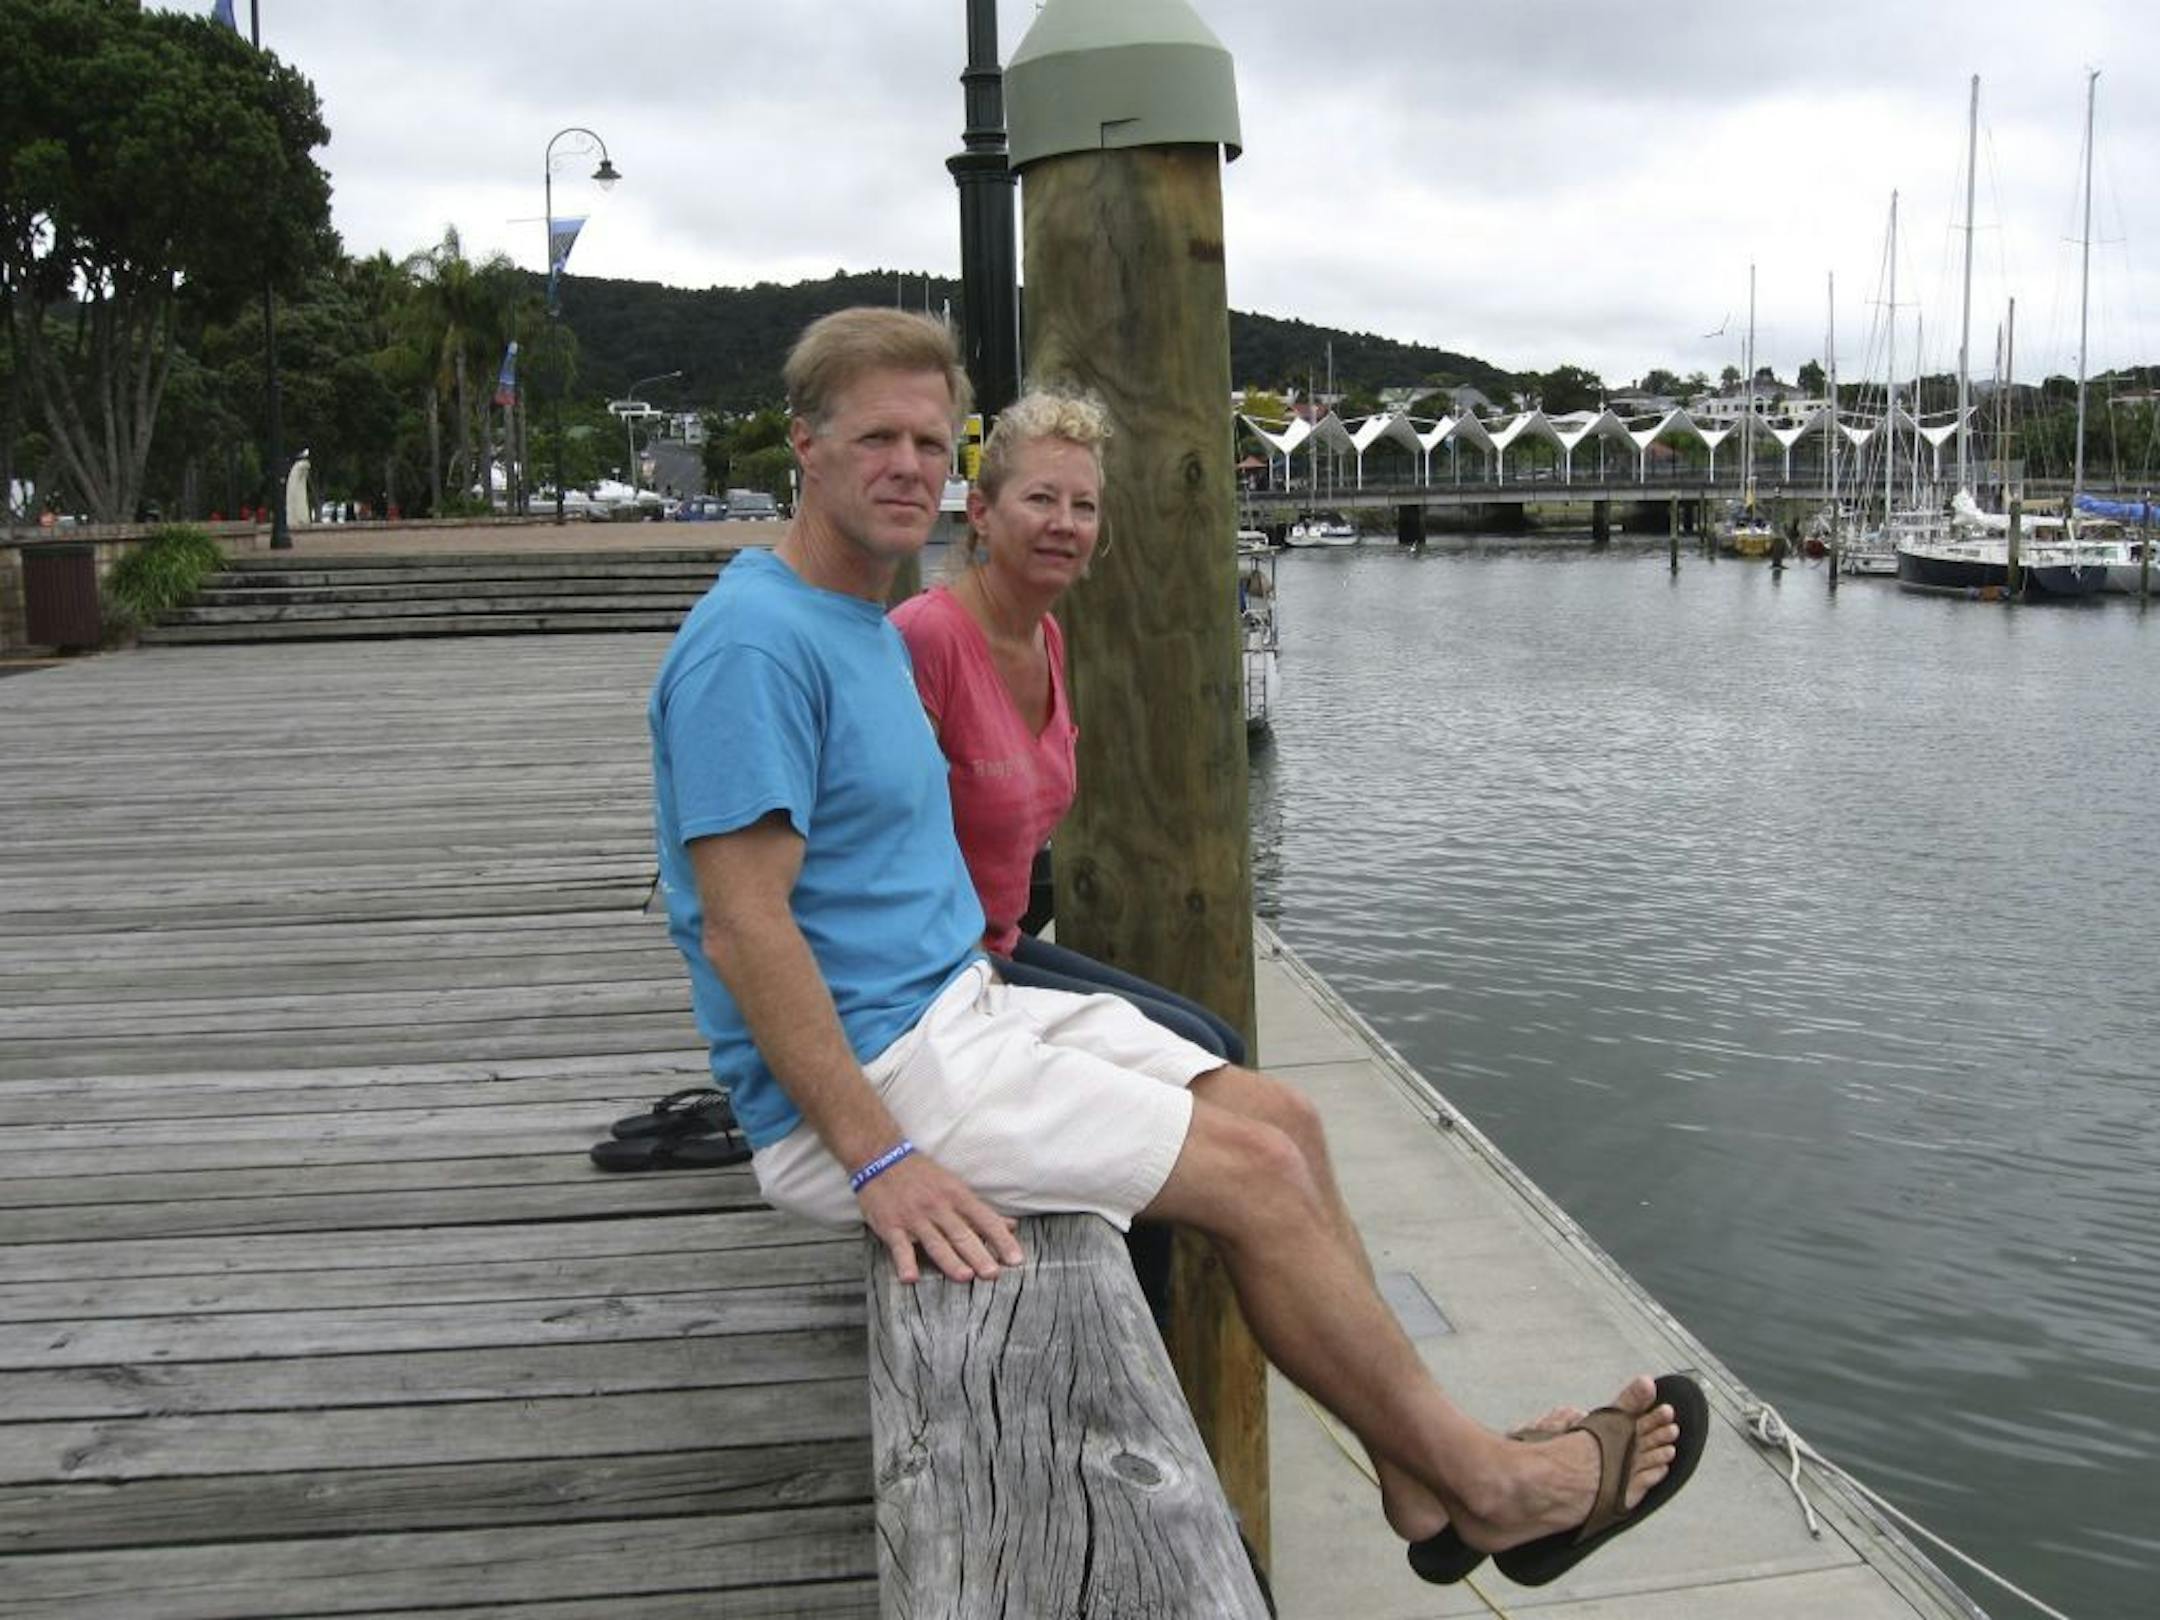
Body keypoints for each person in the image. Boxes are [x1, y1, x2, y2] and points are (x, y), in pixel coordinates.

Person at [648, 307, 1702, 1588]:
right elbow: (742, 923)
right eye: (876, 436)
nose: (909, 466)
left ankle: (1419, 1483)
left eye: (930, 438)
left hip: (956, 1010)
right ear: (804, 449)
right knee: (1251, 1177)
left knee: (1284, 1121)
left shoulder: (861, 619)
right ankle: (1492, 1485)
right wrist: (880, 1162)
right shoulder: (753, 645)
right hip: (876, 1086)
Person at [889, 388, 1244, 1064]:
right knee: (1198, 1053)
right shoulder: (927, 639)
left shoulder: (1046, 635)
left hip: (998, 940)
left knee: (1220, 1040)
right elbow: (869, 839)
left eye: (1084, 506)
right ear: (982, 514)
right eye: (1041, 499)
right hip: (932, 972)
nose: (1066, 523)